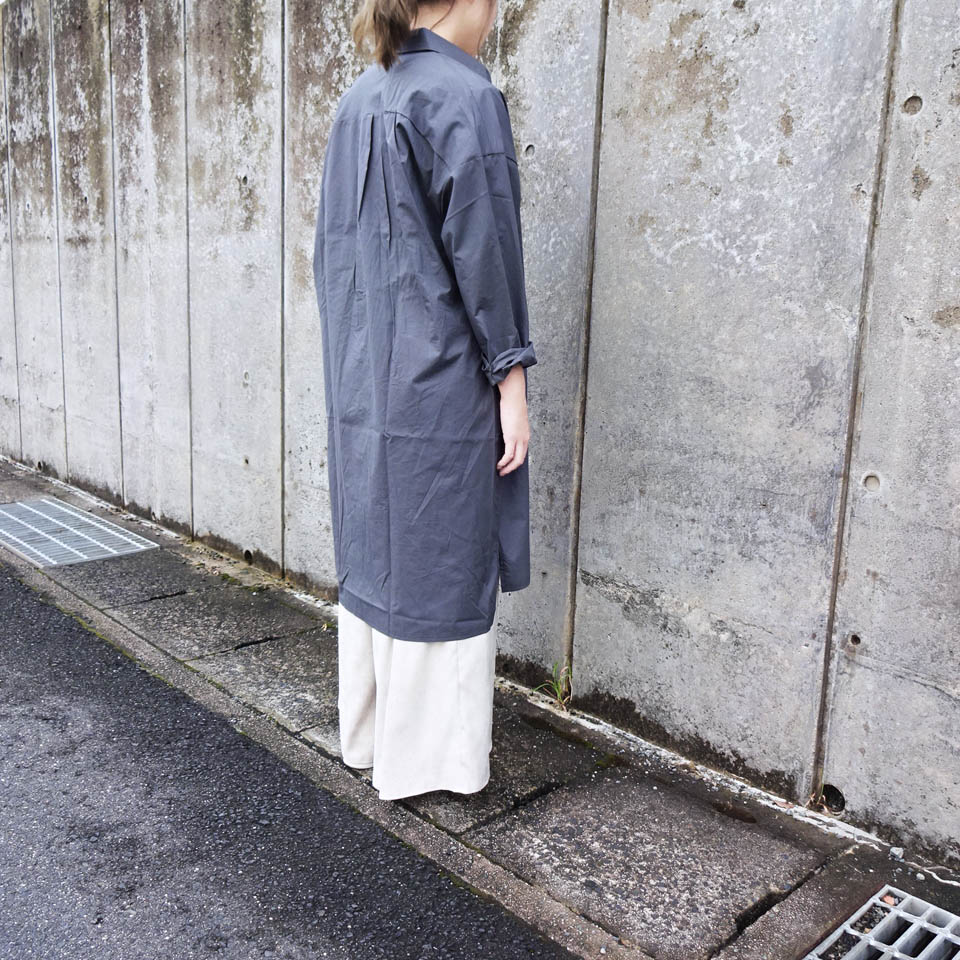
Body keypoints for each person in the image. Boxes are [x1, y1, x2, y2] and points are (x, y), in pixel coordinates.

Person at [312, 0, 537, 801]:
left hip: (364, 381)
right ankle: (432, 762)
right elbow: (485, 246)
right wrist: (511, 377)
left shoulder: (360, 95)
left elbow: (333, 257)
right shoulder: (462, 95)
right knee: (443, 551)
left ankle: (372, 737)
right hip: (440, 378)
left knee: (382, 544)